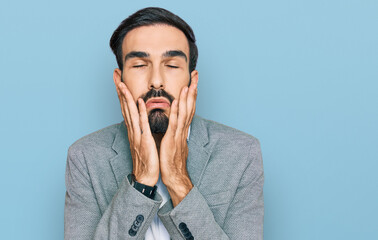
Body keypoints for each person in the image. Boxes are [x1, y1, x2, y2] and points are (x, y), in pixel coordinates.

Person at [64, 7, 264, 240]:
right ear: (119, 81)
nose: (156, 81)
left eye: (172, 65)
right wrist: (141, 181)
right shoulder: (84, 158)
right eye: (139, 65)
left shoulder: (242, 154)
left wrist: (178, 180)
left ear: (192, 80)